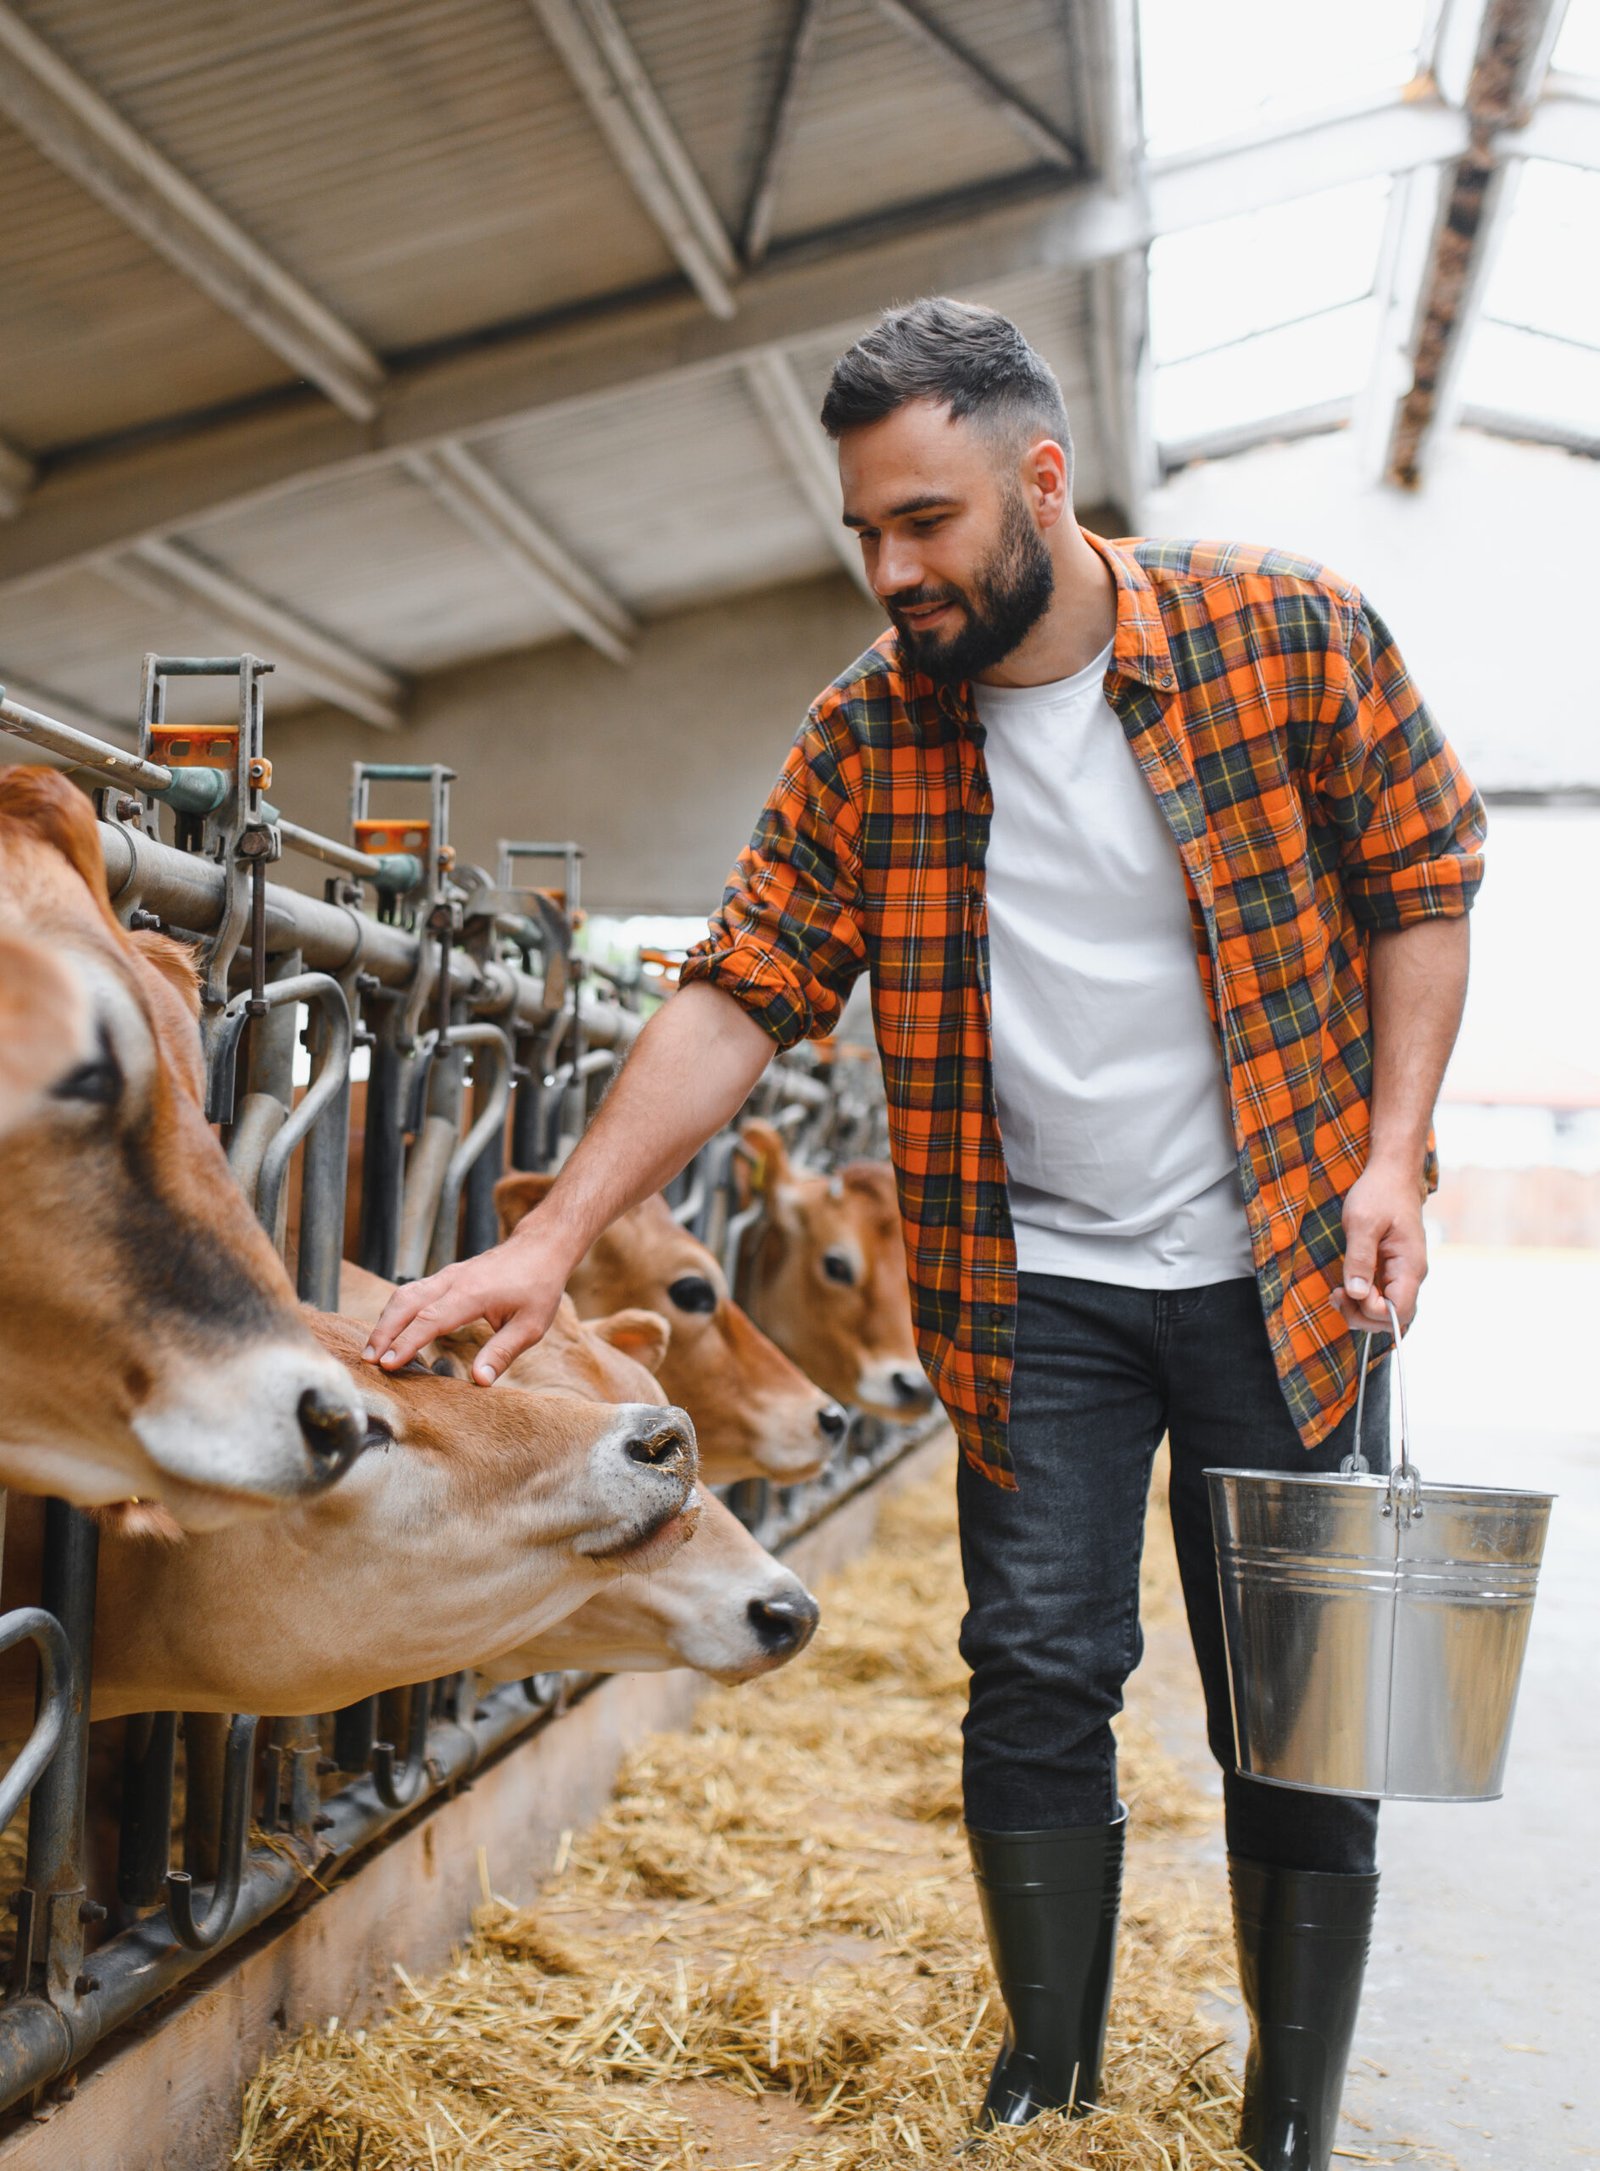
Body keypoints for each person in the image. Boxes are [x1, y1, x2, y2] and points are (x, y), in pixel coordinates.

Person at [364, 298, 1484, 2167]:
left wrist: (1393, 1153)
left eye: (929, 523)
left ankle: (1290, 2116)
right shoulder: (872, 731)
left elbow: (1423, 881)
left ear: (1042, 480)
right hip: (1030, 1282)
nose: (893, 568)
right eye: (866, 532)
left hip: (1290, 1263)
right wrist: (556, 1236)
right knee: (1035, 1666)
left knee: (1304, 1697)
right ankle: (1052, 2082)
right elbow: (743, 992)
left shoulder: (1285, 634)